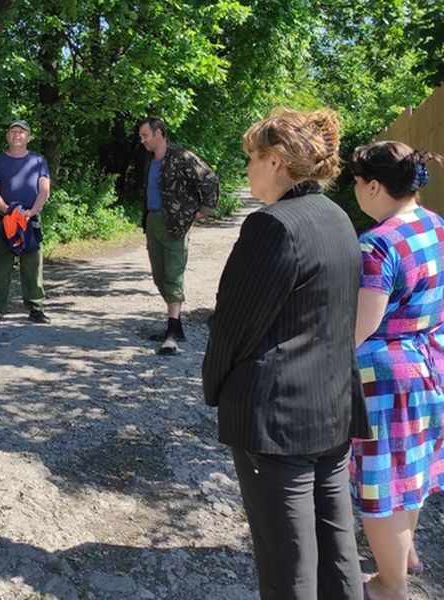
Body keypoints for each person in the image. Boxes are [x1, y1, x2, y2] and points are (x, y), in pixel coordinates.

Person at [202, 108, 371, 600]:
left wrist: (215, 389)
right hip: (332, 407)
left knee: (287, 563)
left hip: (278, 422)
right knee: (336, 546)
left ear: (276, 161)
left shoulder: (272, 226)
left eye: (252, 157)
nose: (247, 168)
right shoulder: (337, 216)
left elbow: (233, 327)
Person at [348, 141, 444, 600]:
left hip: (387, 377)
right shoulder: (437, 226)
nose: (354, 191)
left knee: (381, 485)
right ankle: (406, 557)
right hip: (431, 361)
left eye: (355, 182)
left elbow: (363, 325)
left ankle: (390, 586)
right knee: (412, 470)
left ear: (373, 186)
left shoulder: (376, 243)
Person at [138, 117, 218, 354]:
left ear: (159, 133)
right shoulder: (150, 161)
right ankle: (176, 326)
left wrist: (205, 210)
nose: (142, 140)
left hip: (175, 223)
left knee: (173, 275)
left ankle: (172, 333)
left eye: (145, 135)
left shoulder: (182, 157)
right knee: (159, 276)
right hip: (153, 221)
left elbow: (209, 179)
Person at [0, 120, 51, 326]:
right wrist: (10, 212)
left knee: (32, 264)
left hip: (30, 221)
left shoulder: (38, 161)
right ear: (7, 136)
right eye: (13, 131)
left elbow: (44, 190)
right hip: (5, 220)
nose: (17, 135)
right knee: (0, 264)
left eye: (21, 132)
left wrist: (31, 212)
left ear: (28, 137)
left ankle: (36, 308)